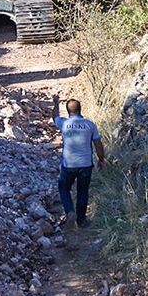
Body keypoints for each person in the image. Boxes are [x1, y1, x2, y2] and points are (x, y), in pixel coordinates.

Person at [52, 95, 106, 228]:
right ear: (80, 110)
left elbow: (54, 117)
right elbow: (98, 143)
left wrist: (56, 103)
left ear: (68, 111)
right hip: (86, 164)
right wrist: (101, 159)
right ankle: (81, 220)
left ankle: (70, 212)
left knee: (63, 188)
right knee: (83, 191)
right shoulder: (90, 125)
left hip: (68, 165)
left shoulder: (64, 123)